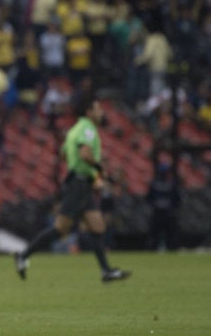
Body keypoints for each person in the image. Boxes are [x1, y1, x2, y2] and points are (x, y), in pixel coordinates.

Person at [14, 96, 131, 283]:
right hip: (78, 184)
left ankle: (106, 271)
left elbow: (64, 153)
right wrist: (100, 169)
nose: (101, 112)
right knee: (61, 229)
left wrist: (85, 172)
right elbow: (85, 153)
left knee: (97, 225)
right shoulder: (87, 129)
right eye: (98, 108)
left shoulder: (73, 130)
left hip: (81, 182)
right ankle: (24, 255)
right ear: (89, 112)